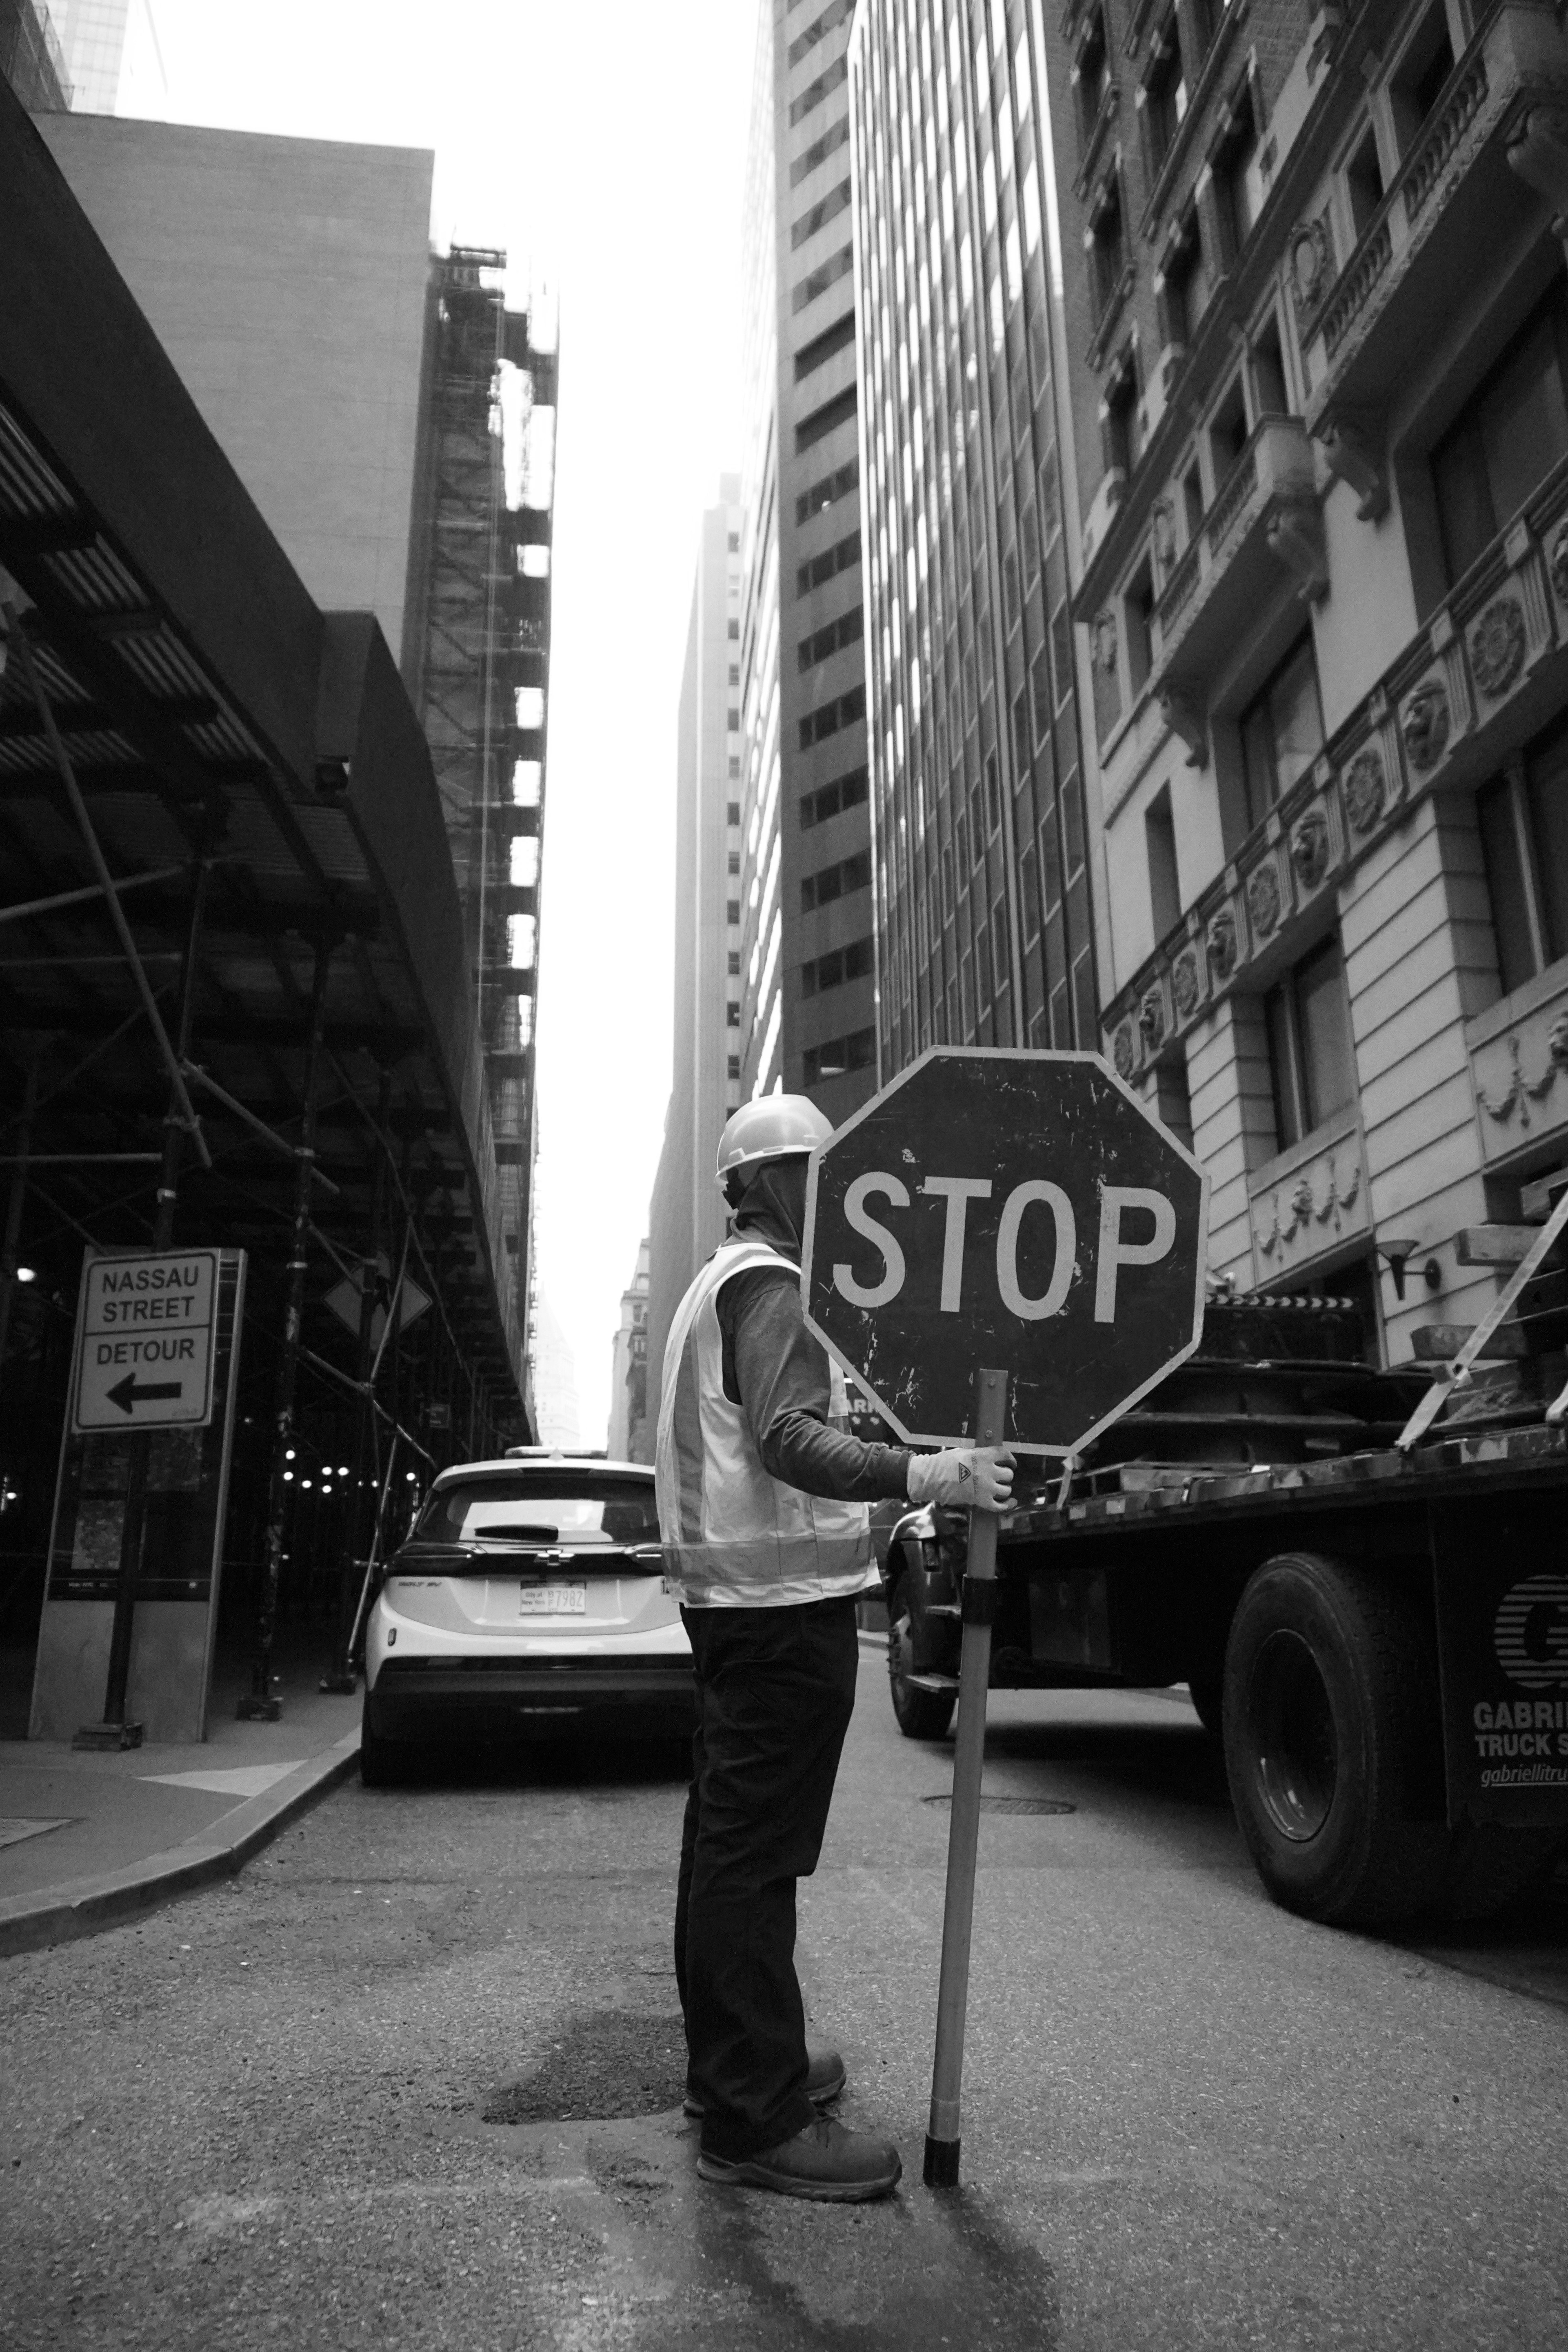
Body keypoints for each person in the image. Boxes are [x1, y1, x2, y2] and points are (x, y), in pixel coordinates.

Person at [655, 1094, 1014, 2202]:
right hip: (773, 1615)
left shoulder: (718, 1283)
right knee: (751, 1860)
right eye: (814, 1169)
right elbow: (786, 1436)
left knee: (731, 1848)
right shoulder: (768, 1280)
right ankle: (753, 2114)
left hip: (745, 1610)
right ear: (766, 1183)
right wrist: (923, 1473)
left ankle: (739, 2067)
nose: (834, 1189)